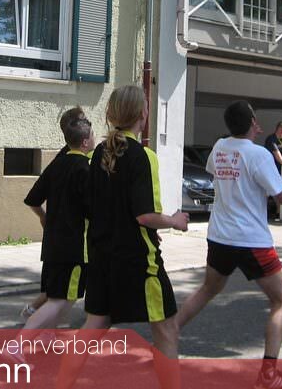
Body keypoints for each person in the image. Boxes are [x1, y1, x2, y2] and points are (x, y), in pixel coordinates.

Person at [175, 101, 282, 389]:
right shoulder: (259, 154)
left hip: (220, 236)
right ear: (252, 122)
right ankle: (268, 376)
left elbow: (219, 171)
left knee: (207, 289)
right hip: (251, 240)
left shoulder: (219, 147)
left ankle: (165, 337)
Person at [56, 85, 189, 389]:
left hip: (101, 254)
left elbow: (96, 206)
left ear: (112, 113)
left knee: (94, 325)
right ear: (143, 112)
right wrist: (175, 221)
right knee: (166, 329)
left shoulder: (97, 153)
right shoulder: (143, 156)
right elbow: (144, 215)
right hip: (138, 260)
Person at [22, 117, 95, 329]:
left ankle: (45, 336)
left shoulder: (56, 165)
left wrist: (44, 217)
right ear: (85, 142)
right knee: (60, 300)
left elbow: (33, 199)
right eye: (92, 135)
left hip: (52, 245)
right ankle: (19, 341)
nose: (94, 138)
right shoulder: (85, 169)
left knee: (59, 297)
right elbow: (92, 210)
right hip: (74, 248)